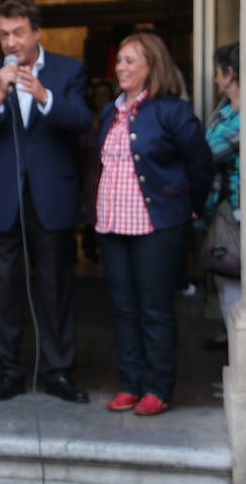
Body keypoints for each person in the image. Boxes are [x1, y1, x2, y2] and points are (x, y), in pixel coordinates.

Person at [0, 0, 92, 404]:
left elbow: (82, 121)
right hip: (1, 198)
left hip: (50, 195)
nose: (11, 41)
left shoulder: (69, 70)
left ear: (36, 33)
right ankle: (10, 372)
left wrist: (44, 95)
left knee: (54, 288)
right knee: (3, 292)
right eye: (4, 34)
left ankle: (58, 371)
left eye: (18, 33)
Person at [94, 32, 212, 416]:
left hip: (157, 225)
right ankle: (130, 383)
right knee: (123, 307)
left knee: (155, 308)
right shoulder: (110, 111)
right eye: (120, 61)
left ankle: (157, 388)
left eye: (130, 60)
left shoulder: (171, 111)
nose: (121, 67)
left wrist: (189, 207)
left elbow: (200, 164)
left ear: (152, 66)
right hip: (113, 223)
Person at [203, 42, 241, 352]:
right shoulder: (226, 109)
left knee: (233, 283)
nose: (215, 79)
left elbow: (207, 154)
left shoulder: (239, 118)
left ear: (229, 73)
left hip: (237, 210)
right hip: (222, 207)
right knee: (226, 279)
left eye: (217, 73)